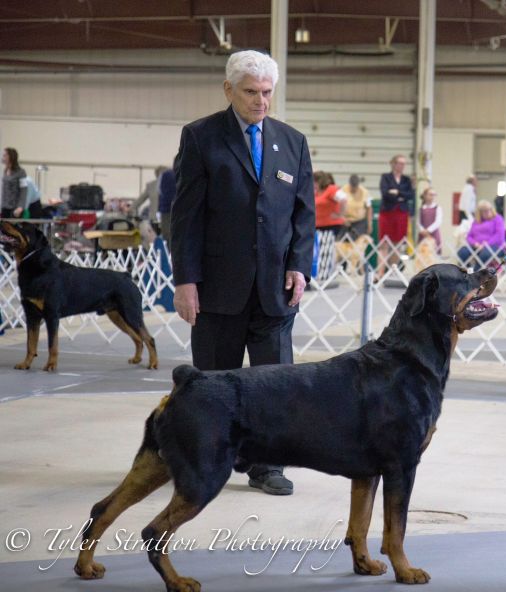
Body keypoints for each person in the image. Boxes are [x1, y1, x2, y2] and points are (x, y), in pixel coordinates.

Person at [171, 50, 315, 497]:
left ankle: (267, 465)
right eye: (251, 92)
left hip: (275, 289)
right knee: (213, 385)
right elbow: (186, 216)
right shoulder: (200, 138)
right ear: (229, 90)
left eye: (267, 92)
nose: (260, 101)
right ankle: (207, 461)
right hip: (217, 289)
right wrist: (185, 280)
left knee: (275, 385)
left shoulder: (293, 142)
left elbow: (303, 216)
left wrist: (298, 265)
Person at [375, 154, 414, 280]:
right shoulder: (385, 177)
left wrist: (397, 192)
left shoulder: (406, 180)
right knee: (384, 243)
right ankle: (380, 273)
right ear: (393, 164)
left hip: (401, 214)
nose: (402, 166)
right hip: (387, 213)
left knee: (397, 244)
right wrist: (400, 196)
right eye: (400, 163)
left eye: (404, 164)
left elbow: (410, 195)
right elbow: (385, 193)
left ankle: (393, 271)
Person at [456, 200, 506, 267]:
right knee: (462, 252)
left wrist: (485, 244)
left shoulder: (498, 219)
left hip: (495, 247)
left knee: (485, 254)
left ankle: (476, 273)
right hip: (477, 247)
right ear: (480, 212)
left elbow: (499, 236)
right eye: (485, 211)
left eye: (490, 209)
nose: (488, 212)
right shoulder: (476, 221)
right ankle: (466, 272)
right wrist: (475, 243)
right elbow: (469, 236)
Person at [314, 171, 346, 239]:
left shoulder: (331, 189)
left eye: (314, 181)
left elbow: (343, 199)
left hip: (332, 226)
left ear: (320, 181)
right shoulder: (316, 192)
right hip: (318, 226)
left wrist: (340, 214)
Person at [341, 174, 372, 239]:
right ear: (349, 184)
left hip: (359, 221)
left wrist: (369, 224)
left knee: (355, 239)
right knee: (342, 239)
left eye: (356, 186)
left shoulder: (365, 192)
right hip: (345, 221)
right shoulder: (342, 191)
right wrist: (343, 219)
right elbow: (338, 207)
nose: (354, 188)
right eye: (352, 186)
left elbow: (369, 209)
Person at [1, 148, 27, 219]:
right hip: (5, 207)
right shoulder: (5, 170)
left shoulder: (21, 172)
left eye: (5, 155)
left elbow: (24, 190)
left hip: (15, 208)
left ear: (11, 157)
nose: (3, 157)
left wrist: (20, 207)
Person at [418, 187, 443, 253]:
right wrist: (422, 230)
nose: (432, 197)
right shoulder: (421, 208)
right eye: (430, 194)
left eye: (434, 195)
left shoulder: (437, 208)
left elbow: (438, 221)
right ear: (425, 196)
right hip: (422, 234)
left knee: (434, 253)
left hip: (434, 234)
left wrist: (428, 230)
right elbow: (418, 221)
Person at [157, 162, 176, 244]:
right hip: (180, 209)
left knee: (167, 234)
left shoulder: (165, 175)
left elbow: (160, 191)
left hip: (166, 209)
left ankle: (168, 253)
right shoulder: (184, 173)